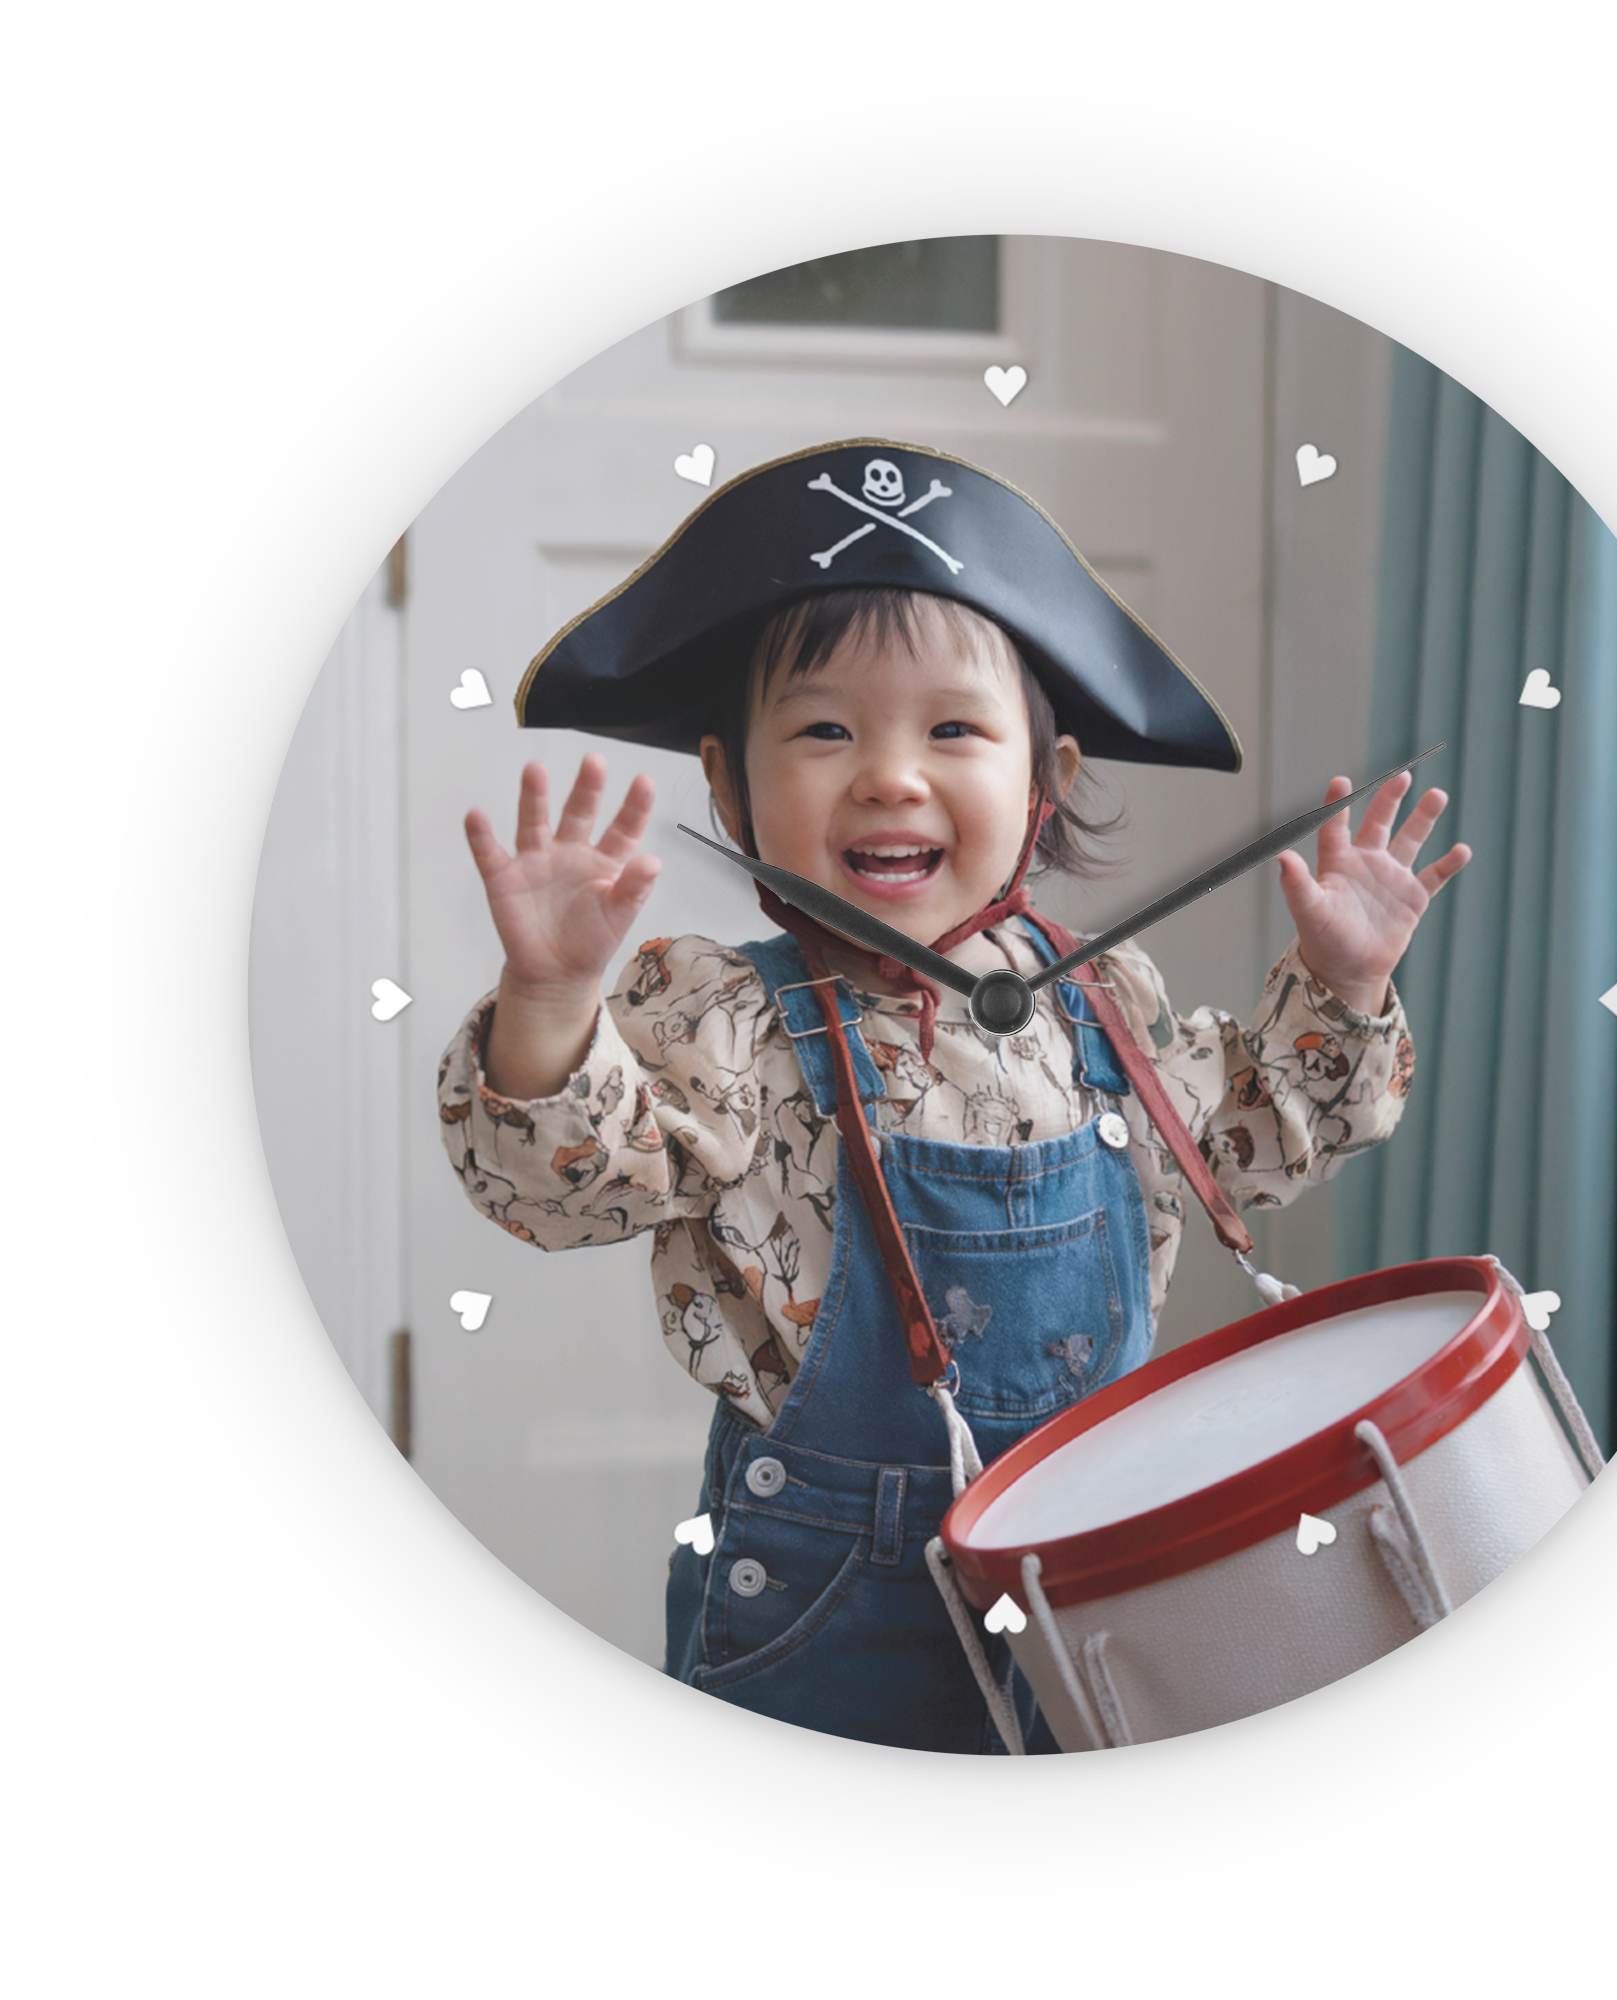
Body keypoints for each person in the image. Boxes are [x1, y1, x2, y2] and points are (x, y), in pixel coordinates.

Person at [438, 440, 1470, 1754]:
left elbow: (1259, 1135)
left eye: (954, 729)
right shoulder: (719, 1019)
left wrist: (1342, 979)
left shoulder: (1107, 1002)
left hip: (1097, 1566)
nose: (889, 774)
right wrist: (550, 1004)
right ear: (726, 783)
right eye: (824, 729)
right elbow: (564, 1188)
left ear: (1046, 789)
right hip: (822, 1616)